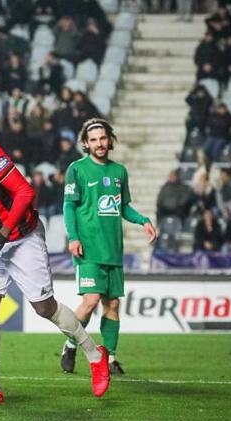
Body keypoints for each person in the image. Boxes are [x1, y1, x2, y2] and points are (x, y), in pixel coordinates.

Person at [0, 112, 110, 403]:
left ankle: (93, 353)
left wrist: (1, 235)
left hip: (22, 236)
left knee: (44, 307)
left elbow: (25, 192)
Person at [60, 118, 157, 376]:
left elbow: (122, 206)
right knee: (90, 301)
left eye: (103, 138)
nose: (99, 143)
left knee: (112, 304)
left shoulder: (119, 172)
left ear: (110, 140)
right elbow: (69, 205)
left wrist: (143, 220)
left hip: (113, 249)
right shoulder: (77, 169)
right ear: (86, 144)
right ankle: (70, 345)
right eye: (94, 140)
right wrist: (73, 237)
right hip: (88, 249)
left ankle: (110, 358)